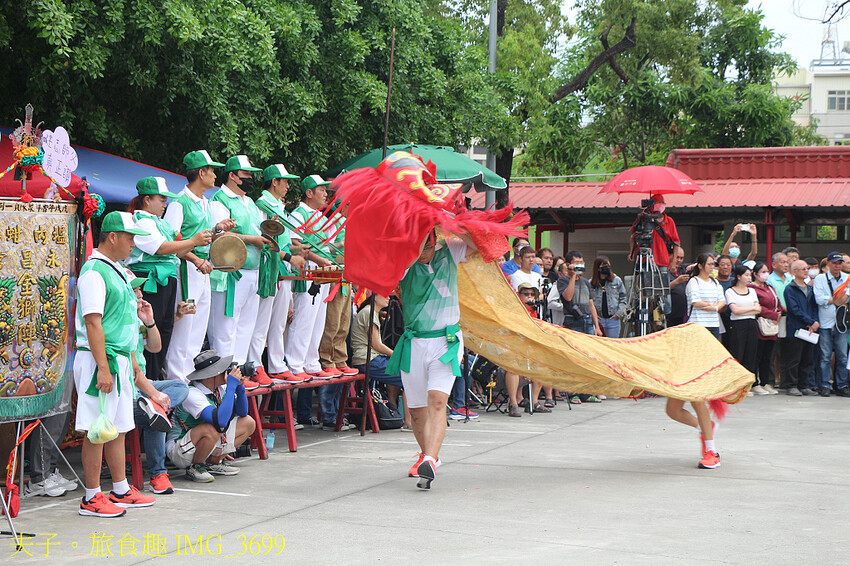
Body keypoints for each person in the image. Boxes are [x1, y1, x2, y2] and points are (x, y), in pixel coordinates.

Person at [74, 211, 156, 517]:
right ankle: (91, 497)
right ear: (112, 237)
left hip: (118, 357)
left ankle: (120, 489)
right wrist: (104, 368)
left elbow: (123, 321)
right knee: (97, 429)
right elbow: (93, 324)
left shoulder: (118, 270)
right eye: (130, 237)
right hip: (100, 359)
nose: (134, 243)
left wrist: (132, 361)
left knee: (117, 427)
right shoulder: (94, 271)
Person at [386, 231, 476, 489]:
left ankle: (429, 460)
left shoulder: (450, 250)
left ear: (434, 238)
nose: (424, 247)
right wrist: (411, 255)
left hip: (446, 341)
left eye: (428, 241)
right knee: (416, 412)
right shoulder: (402, 263)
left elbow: (484, 245)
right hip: (414, 342)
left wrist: (455, 221)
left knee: (437, 401)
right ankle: (429, 455)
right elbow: (386, 276)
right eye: (418, 242)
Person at [127, 176, 211, 381]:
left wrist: (194, 242)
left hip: (166, 280)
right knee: (150, 330)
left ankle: (156, 380)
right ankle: (150, 381)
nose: (165, 204)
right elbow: (161, 248)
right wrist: (193, 241)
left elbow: (175, 247)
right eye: (161, 199)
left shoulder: (158, 223)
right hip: (150, 281)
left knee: (164, 328)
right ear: (147, 200)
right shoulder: (142, 221)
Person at [163, 150, 234, 383]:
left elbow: (204, 237)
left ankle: (190, 375)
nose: (215, 174)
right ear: (201, 173)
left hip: (203, 269)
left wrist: (219, 229)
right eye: (212, 170)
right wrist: (195, 259)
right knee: (185, 324)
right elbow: (171, 243)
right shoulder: (179, 203)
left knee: (199, 324)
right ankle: (176, 376)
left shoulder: (204, 202)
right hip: (188, 270)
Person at [128, 273, 189, 494]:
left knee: (180, 388)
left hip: (144, 388)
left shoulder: (135, 320)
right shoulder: (118, 323)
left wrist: (150, 320)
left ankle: (155, 409)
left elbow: (154, 347)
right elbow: (134, 374)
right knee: (155, 414)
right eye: (135, 290)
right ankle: (158, 474)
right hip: (126, 391)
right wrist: (154, 395)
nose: (141, 293)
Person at [208, 155, 268, 383]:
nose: (251, 179)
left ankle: (241, 373)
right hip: (231, 272)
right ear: (232, 175)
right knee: (226, 326)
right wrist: (253, 239)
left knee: (246, 326)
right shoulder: (219, 199)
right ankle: (223, 377)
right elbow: (221, 235)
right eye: (246, 175)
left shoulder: (249, 202)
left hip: (253, 271)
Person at [249, 164, 306, 383]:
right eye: (285, 181)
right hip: (270, 268)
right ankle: (255, 365)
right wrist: (290, 256)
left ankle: (276, 364)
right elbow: (267, 242)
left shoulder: (279, 207)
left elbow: (284, 242)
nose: (288, 185)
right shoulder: (262, 205)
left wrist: (299, 250)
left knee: (279, 322)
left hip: (282, 268)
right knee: (261, 321)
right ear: (274, 182)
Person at [167, 349, 256, 482]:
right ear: (209, 376)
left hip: (197, 443)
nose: (226, 371)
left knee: (248, 422)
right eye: (222, 369)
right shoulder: (192, 393)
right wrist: (231, 386)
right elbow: (219, 421)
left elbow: (242, 412)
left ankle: (212, 462)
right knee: (212, 428)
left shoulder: (218, 388)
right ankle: (196, 467)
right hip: (179, 449)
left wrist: (239, 387)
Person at [351, 293, 411, 428]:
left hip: (371, 359)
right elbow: (376, 345)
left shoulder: (371, 312)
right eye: (385, 295)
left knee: (406, 374)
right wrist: (397, 355)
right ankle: (409, 422)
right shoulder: (369, 313)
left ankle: (397, 414)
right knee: (409, 376)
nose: (388, 298)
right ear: (374, 296)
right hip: (368, 360)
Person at [812, 251, 850, 397]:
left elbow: (846, 299)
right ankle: (824, 385)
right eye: (835, 263)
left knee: (842, 356)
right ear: (827, 263)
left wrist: (834, 299)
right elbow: (819, 299)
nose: (837, 266)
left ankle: (841, 385)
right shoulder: (820, 278)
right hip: (825, 323)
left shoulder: (847, 278)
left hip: (842, 323)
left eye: (840, 263)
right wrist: (839, 299)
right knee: (825, 356)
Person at [784, 260, 819, 396]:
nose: (806, 271)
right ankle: (791, 385)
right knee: (794, 358)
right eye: (803, 269)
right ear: (794, 272)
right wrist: (810, 322)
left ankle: (804, 385)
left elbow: (814, 307)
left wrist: (815, 321)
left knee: (807, 358)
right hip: (797, 328)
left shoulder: (810, 289)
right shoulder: (790, 289)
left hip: (810, 329)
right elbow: (794, 310)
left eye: (807, 268)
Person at [748, 262, 781, 395]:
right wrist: (773, 315)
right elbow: (758, 307)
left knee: (768, 356)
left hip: (772, 325)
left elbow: (776, 302)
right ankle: (754, 382)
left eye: (767, 271)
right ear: (755, 274)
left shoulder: (769, 287)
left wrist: (777, 314)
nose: (766, 274)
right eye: (763, 272)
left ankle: (765, 382)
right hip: (760, 325)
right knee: (758, 355)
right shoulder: (752, 288)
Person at [724, 264, 760, 381]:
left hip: (752, 324)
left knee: (751, 354)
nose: (749, 278)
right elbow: (735, 310)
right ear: (739, 276)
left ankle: (748, 382)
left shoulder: (752, 291)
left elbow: (758, 309)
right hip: (737, 325)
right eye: (747, 275)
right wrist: (751, 309)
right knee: (738, 352)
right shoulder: (730, 291)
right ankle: (736, 381)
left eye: (750, 275)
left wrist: (744, 310)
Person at [558, 251, 602, 337]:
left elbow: (591, 304)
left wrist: (597, 326)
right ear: (568, 265)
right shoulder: (563, 280)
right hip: (572, 320)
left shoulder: (585, 282)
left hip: (587, 320)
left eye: (581, 263)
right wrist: (573, 276)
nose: (580, 265)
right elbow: (568, 297)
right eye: (576, 263)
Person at [630, 194, 679, 268]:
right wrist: (632, 253)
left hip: (662, 261)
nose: (661, 205)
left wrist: (674, 261)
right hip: (644, 259)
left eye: (663, 202)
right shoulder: (643, 218)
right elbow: (633, 236)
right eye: (658, 202)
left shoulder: (669, 221)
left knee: (662, 279)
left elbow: (676, 242)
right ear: (652, 204)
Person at [684, 254, 725, 339]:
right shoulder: (694, 281)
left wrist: (715, 308)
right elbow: (695, 302)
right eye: (709, 264)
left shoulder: (715, 282)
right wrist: (712, 305)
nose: (712, 267)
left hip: (714, 324)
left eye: (713, 264)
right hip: (698, 323)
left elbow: (722, 301)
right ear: (700, 265)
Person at [589, 256, 627, 338]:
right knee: (598, 344)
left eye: (608, 265)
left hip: (613, 319)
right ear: (598, 268)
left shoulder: (616, 280)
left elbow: (623, 298)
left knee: (612, 344)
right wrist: (594, 315)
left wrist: (618, 314)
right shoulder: (591, 283)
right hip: (599, 319)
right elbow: (588, 301)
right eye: (604, 265)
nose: (607, 267)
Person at [666, 245, 690, 327]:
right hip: (669, 316)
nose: (679, 260)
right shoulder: (662, 270)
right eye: (677, 257)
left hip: (683, 315)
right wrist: (677, 281)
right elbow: (661, 289)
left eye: (681, 258)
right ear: (670, 256)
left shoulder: (683, 269)